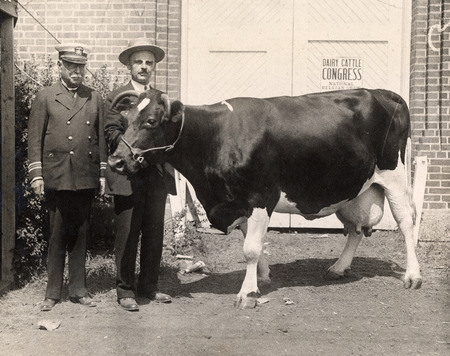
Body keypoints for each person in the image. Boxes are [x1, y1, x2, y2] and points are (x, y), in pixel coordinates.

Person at [28, 43, 107, 311]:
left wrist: (103, 174)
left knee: (81, 232)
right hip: (58, 174)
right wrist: (37, 174)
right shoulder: (46, 96)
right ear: (60, 67)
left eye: (80, 66)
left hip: (85, 174)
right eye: (71, 66)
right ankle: (52, 292)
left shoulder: (94, 97)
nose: (76, 71)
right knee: (57, 233)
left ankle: (78, 289)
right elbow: (35, 139)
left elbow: (100, 140)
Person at [104, 38, 176, 311]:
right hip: (126, 175)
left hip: (155, 175)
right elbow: (111, 133)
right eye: (139, 62)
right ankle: (125, 290)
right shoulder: (117, 97)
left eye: (149, 62)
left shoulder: (160, 98)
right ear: (129, 66)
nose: (144, 67)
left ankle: (149, 286)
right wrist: (136, 153)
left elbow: (166, 136)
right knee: (128, 232)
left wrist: (153, 156)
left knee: (154, 232)